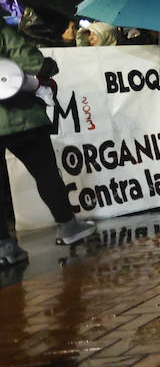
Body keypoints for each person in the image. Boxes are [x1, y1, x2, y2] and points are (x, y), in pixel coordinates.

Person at [0, 17, 97, 266]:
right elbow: (29, 59)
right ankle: (68, 226)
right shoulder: (2, 30)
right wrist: (47, 66)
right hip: (21, 116)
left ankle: (6, 246)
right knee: (45, 172)